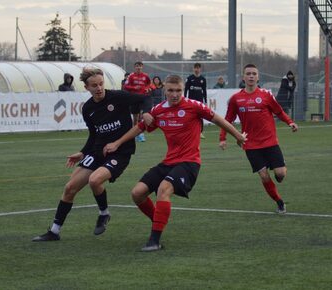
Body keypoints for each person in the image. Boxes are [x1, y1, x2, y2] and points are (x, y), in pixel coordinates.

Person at [104, 75, 247, 252]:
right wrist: (117, 143)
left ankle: (154, 240)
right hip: (169, 162)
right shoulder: (158, 110)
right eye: (171, 91)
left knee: (164, 189)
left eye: (178, 90)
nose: (174, 94)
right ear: (164, 90)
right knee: (137, 193)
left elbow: (218, 120)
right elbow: (139, 128)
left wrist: (238, 136)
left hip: (189, 163)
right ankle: (158, 220)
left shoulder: (194, 106)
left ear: (183, 89)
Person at [32, 67, 153, 242]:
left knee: (94, 180)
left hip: (120, 153)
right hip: (97, 152)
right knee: (69, 188)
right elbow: (94, 135)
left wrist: (147, 112)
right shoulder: (88, 108)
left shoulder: (117, 97)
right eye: (94, 85)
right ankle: (54, 231)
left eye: (101, 83)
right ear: (87, 87)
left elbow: (146, 98)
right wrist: (82, 153)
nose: (99, 88)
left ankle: (104, 213)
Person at [219, 64, 298, 214]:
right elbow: (227, 120)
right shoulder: (236, 99)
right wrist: (222, 138)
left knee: (280, 174)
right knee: (263, 175)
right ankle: (279, 202)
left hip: (270, 142)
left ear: (258, 77)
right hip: (251, 145)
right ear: (243, 77)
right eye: (248, 74)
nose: (251, 76)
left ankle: (278, 168)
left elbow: (279, 111)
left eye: (254, 74)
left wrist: (290, 122)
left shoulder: (266, 95)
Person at [123, 62, 152, 142]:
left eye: (140, 66)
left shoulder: (145, 76)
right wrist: (134, 87)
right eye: (137, 66)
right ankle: (134, 134)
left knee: (141, 116)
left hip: (143, 98)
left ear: (142, 67)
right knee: (135, 117)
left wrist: (148, 88)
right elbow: (126, 86)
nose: (138, 68)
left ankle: (141, 134)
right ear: (134, 67)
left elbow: (150, 84)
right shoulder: (131, 76)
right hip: (134, 98)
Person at [184, 63, 207, 138]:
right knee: (190, 116)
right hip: (191, 101)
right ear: (193, 69)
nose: (197, 69)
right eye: (195, 68)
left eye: (198, 68)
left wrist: (205, 101)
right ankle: (190, 131)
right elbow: (186, 90)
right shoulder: (189, 78)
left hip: (200, 101)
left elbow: (204, 91)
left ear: (200, 69)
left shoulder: (203, 79)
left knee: (200, 116)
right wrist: (185, 99)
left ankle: (200, 132)